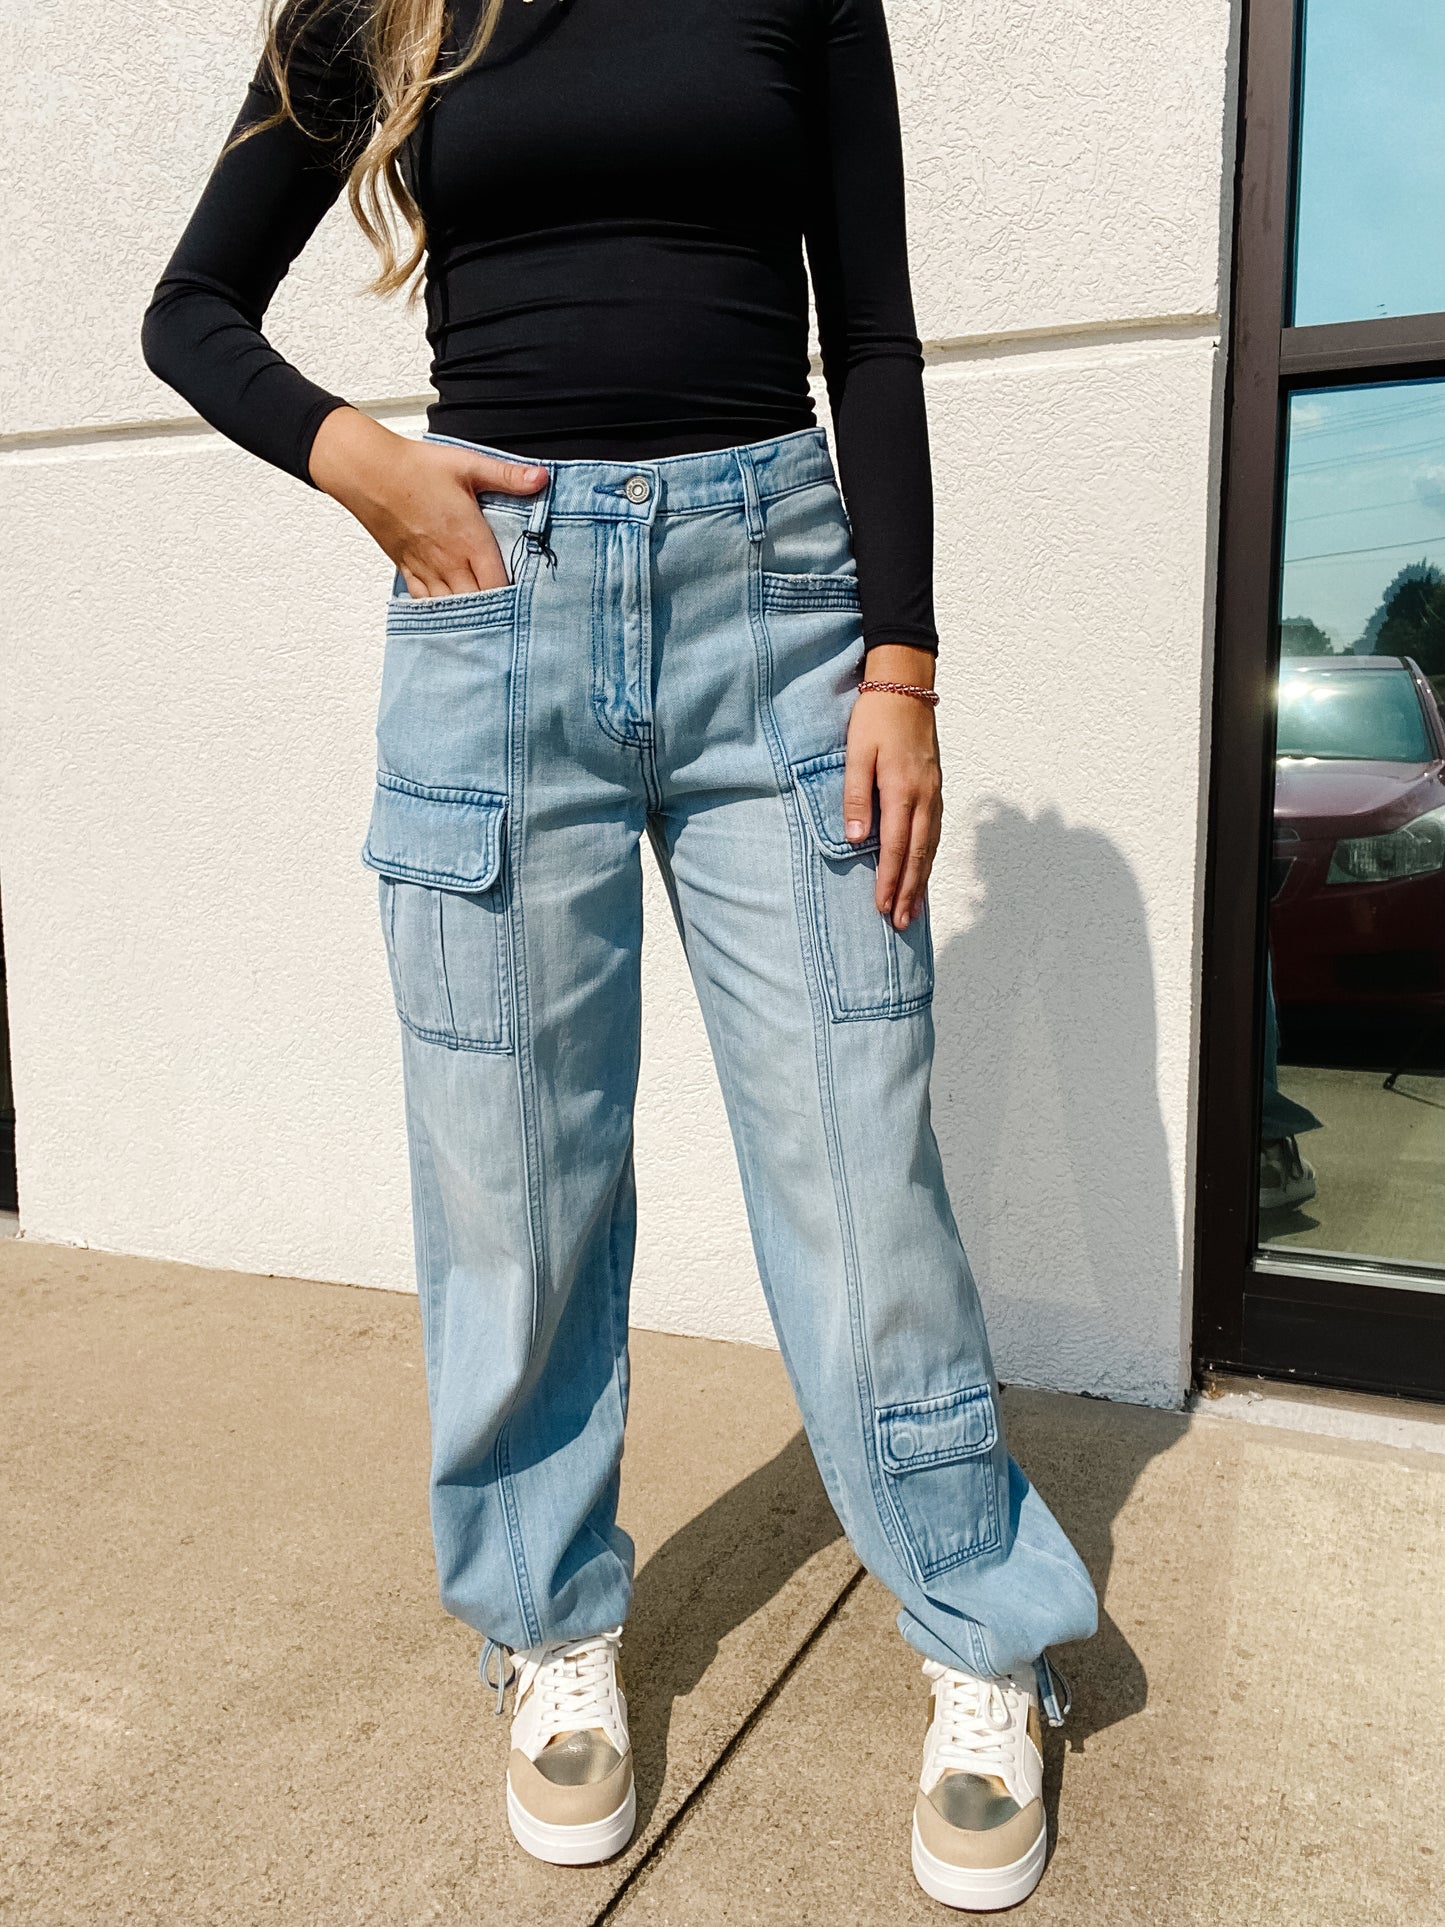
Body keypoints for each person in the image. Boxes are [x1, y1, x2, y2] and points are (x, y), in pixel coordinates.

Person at [141, 0, 1098, 1907]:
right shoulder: (377, 8)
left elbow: (872, 330)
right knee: (513, 1178)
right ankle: (548, 1624)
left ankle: (984, 1630)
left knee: (856, 1157)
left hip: (782, 614)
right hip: (497, 611)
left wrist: (901, 661)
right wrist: (359, 459)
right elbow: (191, 311)